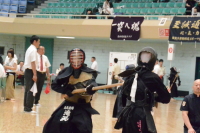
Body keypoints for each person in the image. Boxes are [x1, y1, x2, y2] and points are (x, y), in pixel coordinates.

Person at [114, 47, 171, 133]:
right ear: (153, 61)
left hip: (127, 113)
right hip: (142, 114)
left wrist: (121, 113)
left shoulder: (130, 74)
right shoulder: (154, 78)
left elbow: (123, 96)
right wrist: (154, 97)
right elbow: (166, 99)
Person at [43, 48, 99, 133]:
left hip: (82, 105)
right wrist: (65, 90)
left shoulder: (89, 73)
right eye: (74, 58)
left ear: (83, 59)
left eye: (78, 58)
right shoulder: (65, 71)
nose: (76, 60)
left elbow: (93, 84)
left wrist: (91, 89)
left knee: (84, 127)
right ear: (70, 59)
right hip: (69, 103)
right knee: (54, 124)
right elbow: (55, 85)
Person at [23, 35, 40, 113]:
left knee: (27, 89)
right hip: (30, 71)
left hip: (27, 71)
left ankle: (26, 106)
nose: (39, 43)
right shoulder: (33, 50)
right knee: (30, 90)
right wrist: (35, 74)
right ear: (35, 41)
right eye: (38, 41)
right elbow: (33, 62)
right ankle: (28, 108)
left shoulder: (29, 48)